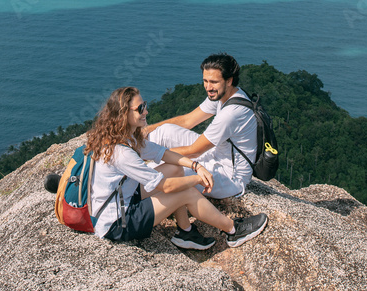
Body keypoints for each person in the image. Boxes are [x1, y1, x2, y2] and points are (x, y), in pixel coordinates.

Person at [87, 86, 267, 250]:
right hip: (118, 222)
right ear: (123, 114)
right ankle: (234, 230)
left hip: (124, 199)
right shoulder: (122, 153)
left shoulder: (125, 138)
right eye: (140, 108)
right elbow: (166, 187)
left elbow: (163, 153)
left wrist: (196, 166)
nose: (146, 111)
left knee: (175, 169)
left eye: (145, 105)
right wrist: (198, 179)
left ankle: (185, 232)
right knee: (185, 191)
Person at [145, 53, 257, 200]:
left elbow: (193, 151)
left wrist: (152, 158)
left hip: (228, 178)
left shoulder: (231, 113)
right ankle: (131, 150)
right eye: (205, 81)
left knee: (159, 170)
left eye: (214, 82)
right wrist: (146, 130)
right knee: (164, 131)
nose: (208, 87)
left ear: (229, 81)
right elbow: (187, 121)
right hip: (215, 154)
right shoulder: (221, 95)